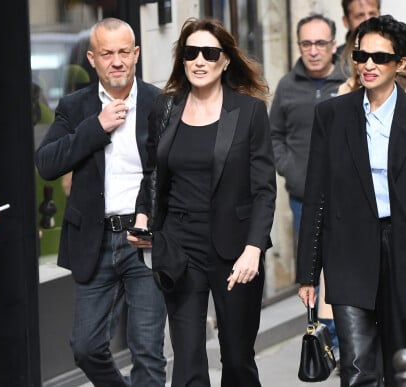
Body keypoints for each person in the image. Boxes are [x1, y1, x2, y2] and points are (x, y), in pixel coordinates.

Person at [128, 17, 276, 387]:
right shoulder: (165, 109)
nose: (199, 61)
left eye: (209, 53)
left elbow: (264, 189)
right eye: (190, 52)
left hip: (235, 246)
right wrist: (144, 216)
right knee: (188, 356)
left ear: (225, 60)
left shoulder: (249, 112)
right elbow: (153, 173)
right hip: (179, 243)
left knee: (238, 358)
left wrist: (253, 248)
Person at [35, 18, 167, 386]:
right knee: (86, 347)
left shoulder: (161, 104)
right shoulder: (76, 107)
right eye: (107, 53)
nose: (117, 61)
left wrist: (158, 222)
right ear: (92, 59)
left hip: (145, 242)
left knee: (148, 354)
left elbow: (175, 172)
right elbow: (46, 163)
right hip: (94, 241)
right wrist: (97, 126)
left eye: (124, 52)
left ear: (136, 54)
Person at [297, 15, 406, 387]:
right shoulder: (332, 114)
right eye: (361, 55)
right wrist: (308, 271)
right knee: (356, 367)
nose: (368, 65)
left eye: (380, 57)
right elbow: (316, 192)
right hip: (349, 254)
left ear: (400, 63)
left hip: (404, 252)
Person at [269, 12, 345, 362]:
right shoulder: (287, 85)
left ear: (333, 44)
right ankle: (324, 341)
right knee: (312, 272)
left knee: (345, 268)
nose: (313, 51)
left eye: (320, 43)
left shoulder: (350, 80)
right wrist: (291, 170)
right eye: (306, 43)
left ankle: (350, 340)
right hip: (304, 198)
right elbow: (274, 136)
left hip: (348, 197)